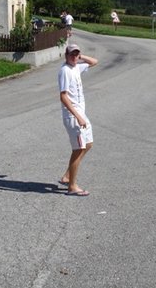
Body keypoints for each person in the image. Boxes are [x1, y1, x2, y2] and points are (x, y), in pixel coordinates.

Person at [57, 43, 98, 196]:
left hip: (81, 114)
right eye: (71, 54)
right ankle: (72, 186)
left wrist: (81, 57)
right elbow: (63, 97)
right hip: (73, 116)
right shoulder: (65, 71)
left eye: (76, 54)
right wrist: (78, 116)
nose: (74, 57)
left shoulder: (76, 67)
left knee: (88, 144)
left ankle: (67, 176)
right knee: (78, 148)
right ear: (66, 55)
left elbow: (94, 62)